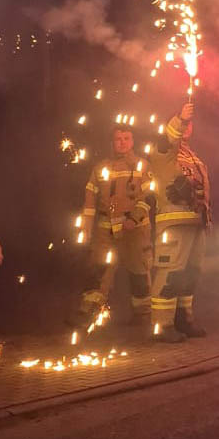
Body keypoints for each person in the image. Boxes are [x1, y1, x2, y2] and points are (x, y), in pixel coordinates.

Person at [68, 125, 152, 328]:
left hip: (135, 229)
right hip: (105, 230)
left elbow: (148, 197)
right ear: (112, 142)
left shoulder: (142, 165)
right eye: (118, 139)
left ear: (133, 142)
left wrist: (134, 218)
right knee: (98, 268)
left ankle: (142, 316)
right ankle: (86, 314)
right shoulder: (100, 168)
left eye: (126, 138)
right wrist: (86, 228)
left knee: (139, 272)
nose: (122, 142)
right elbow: (89, 202)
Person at [146, 103, 212, 343]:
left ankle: (184, 318)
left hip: (195, 222)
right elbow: (168, 140)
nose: (186, 127)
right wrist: (180, 119)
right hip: (173, 223)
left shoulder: (193, 156)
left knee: (191, 273)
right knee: (170, 273)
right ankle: (162, 325)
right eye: (183, 124)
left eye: (189, 123)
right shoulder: (162, 149)